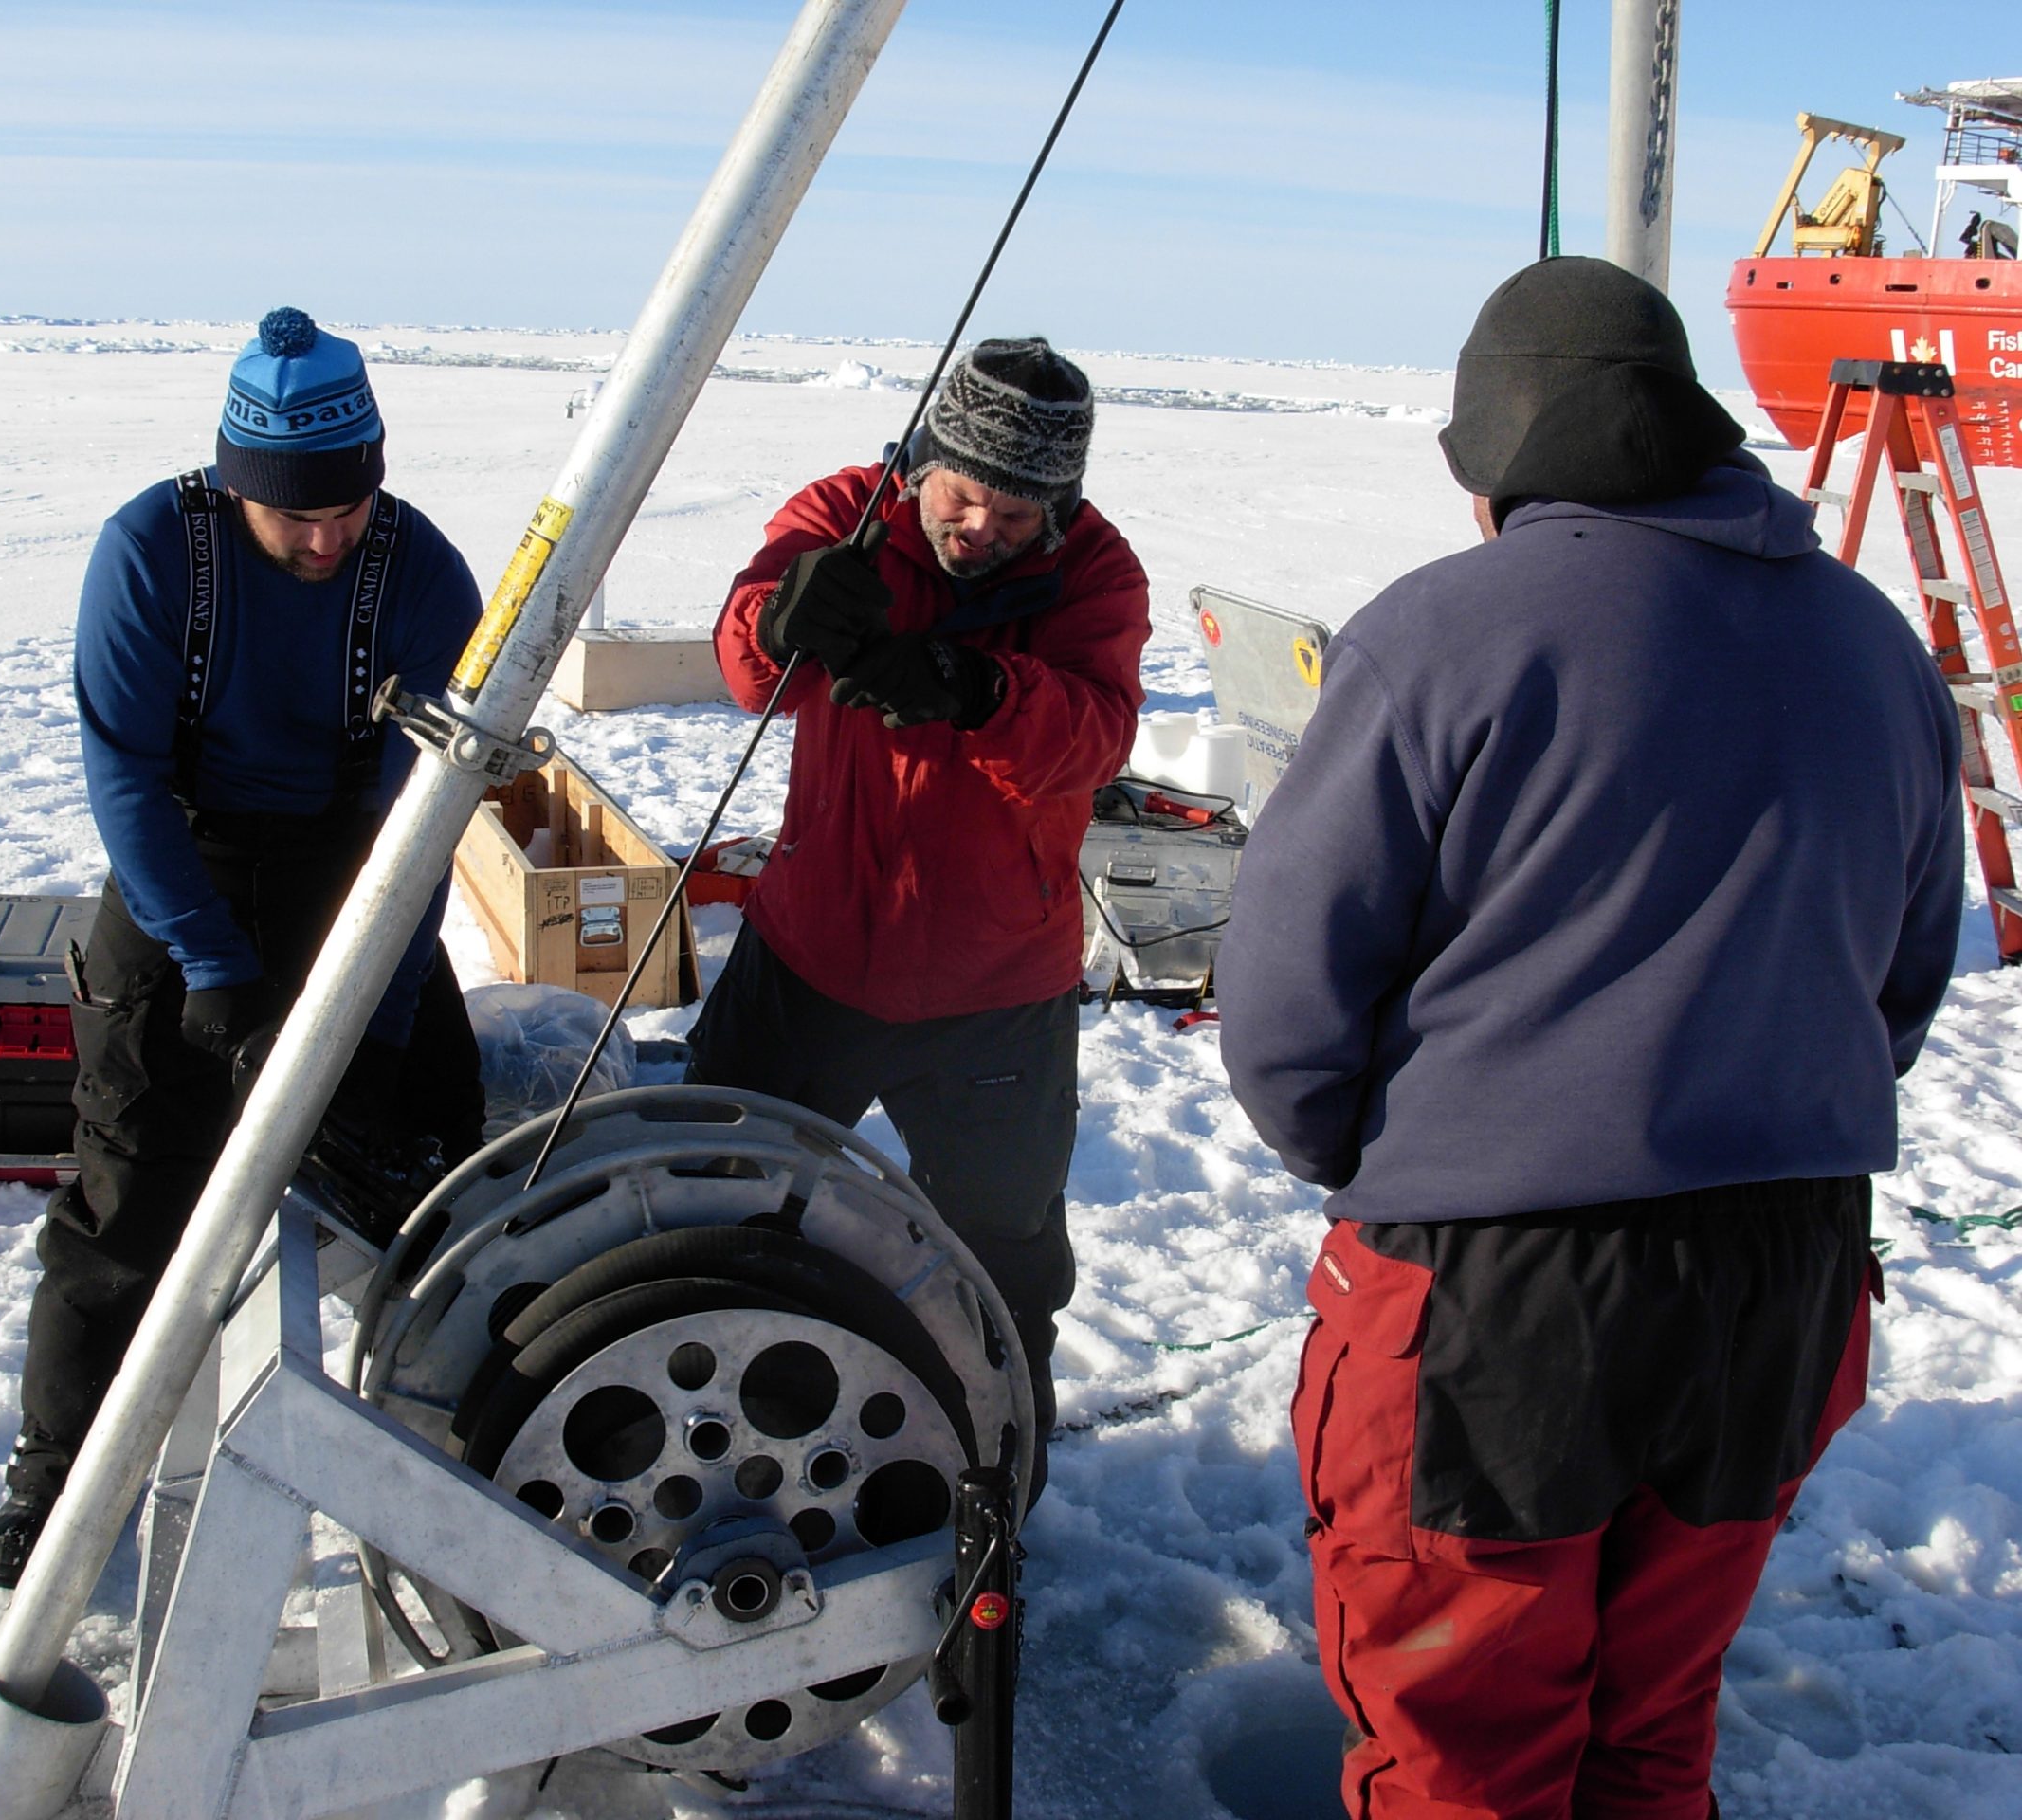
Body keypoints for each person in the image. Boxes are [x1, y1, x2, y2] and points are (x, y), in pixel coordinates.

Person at [1216, 258, 1965, 1819]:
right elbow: (1901, 974)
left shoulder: (1440, 633)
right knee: (1649, 1725)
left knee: (1462, 1749)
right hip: (1784, 1272)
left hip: (1503, 1296)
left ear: (1500, 461)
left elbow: (1289, 994)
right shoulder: (1875, 644)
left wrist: (1376, 1152)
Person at [0, 308, 488, 1588]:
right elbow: (126, 777)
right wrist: (211, 970)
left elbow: (416, 819)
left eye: (347, 508)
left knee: (434, 1161)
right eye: (293, 517)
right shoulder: (155, 552)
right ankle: (53, 1494)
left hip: (347, 864)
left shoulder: (422, 576)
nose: (325, 539)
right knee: (127, 1198)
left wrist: (366, 1009)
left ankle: (474, 1459)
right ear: (233, 481)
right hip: (185, 870)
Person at [686, 337, 1151, 1475]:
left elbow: (1094, 733)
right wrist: (780, 617)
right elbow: (750, 668)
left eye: (1016, 511)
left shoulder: (1096, 573)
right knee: (722, 1202)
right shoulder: (846, 516)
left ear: (1063, 503)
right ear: (924, 465)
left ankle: (999, 1471)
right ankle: (715, 1433)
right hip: (813, 954)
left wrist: (974, 688)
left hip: (998, 990)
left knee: (1007, 1256)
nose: (983, 527)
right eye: (963, 495)